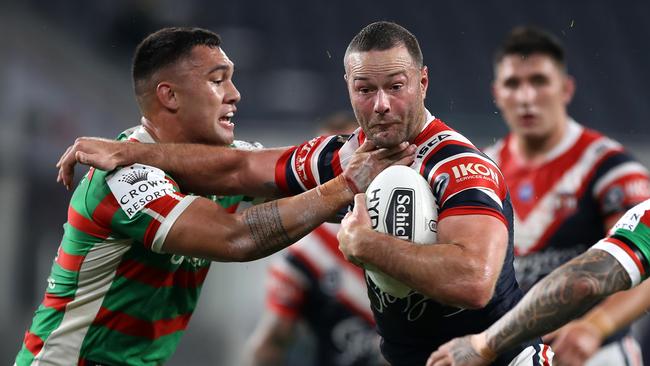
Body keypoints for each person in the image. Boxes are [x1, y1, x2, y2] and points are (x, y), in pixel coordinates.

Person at [57, 21, 550, 366]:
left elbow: (475, 281)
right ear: (347, 88)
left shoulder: (459, 166)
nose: (380, 105)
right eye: (364, 89)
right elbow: (237, 174)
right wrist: (133, 156)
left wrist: (369, 245)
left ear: (422, 83)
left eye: (395, 87)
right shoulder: (346, 156)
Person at [15, 27, 414, 366]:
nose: (235, 94)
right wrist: (347, 184)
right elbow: (234, 236)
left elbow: (298, 185)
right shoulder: (124, 179)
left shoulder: (219, 163)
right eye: (217, 79)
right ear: (169, 96)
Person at [480, 26, 650, 365]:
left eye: (539, 81)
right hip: (516, 354)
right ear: (497, 93)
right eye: (513, 84)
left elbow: (646, 264)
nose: (526, 96)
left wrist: (595, 325)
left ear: (566, 88)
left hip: (597, 352)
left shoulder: (610, 167)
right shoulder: (482, 169)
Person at [426, 198, 650, 366]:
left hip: (596, 351)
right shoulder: (492, 161)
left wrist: (484, 344)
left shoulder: (610, 165)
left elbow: (587, 280)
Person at [244, 113, 387, 366]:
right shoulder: (307, 252)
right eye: (334, 160)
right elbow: (272, 342)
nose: (350, 167)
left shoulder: (411, 223)